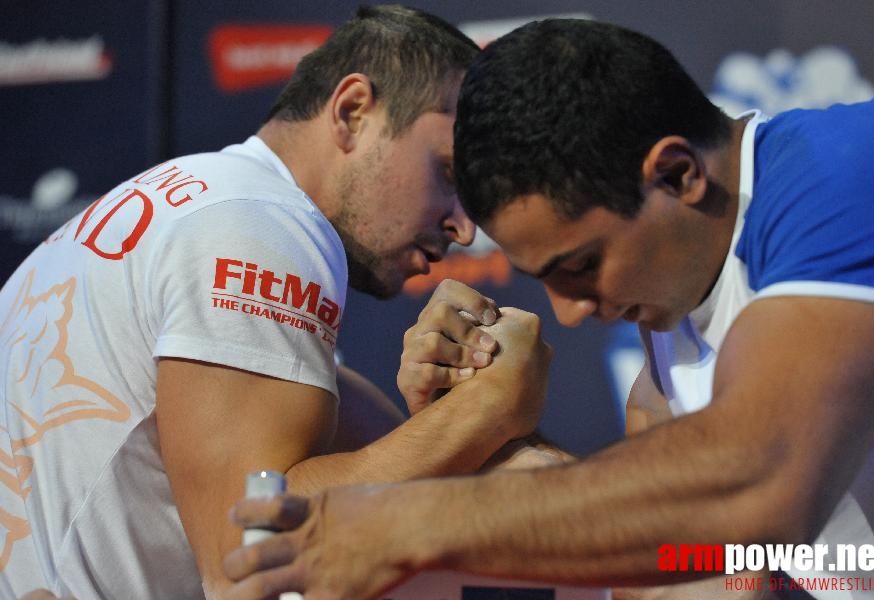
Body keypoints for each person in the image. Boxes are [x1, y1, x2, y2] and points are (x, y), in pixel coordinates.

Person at [221, 17, 874, 600]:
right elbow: (692, 566)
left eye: (578, 266)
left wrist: (410, 523)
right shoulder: (671, 320)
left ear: (675, 174)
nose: (570, 313)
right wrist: (498, 443)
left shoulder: (849, 169)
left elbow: (762, 481)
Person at [0, 6, 556, 599]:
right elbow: (245, 557)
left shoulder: (201, 202)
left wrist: (452, 414)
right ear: (352, 111)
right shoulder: (263, 222)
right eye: (447, 173)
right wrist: (487, 407)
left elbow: (396, 459)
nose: (464, 227)